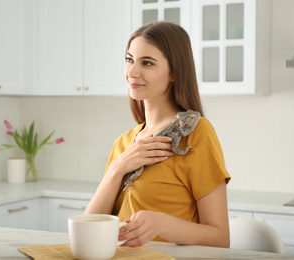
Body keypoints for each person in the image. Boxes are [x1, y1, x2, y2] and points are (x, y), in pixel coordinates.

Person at [84, 21, 231, 248]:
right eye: (129, 59)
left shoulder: (196, 133)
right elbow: (88, 229)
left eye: (147, 63)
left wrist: (161, 224)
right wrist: (117, 168)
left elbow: (220, 239)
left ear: (174, 72)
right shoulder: (124, 143)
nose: (132, 72)